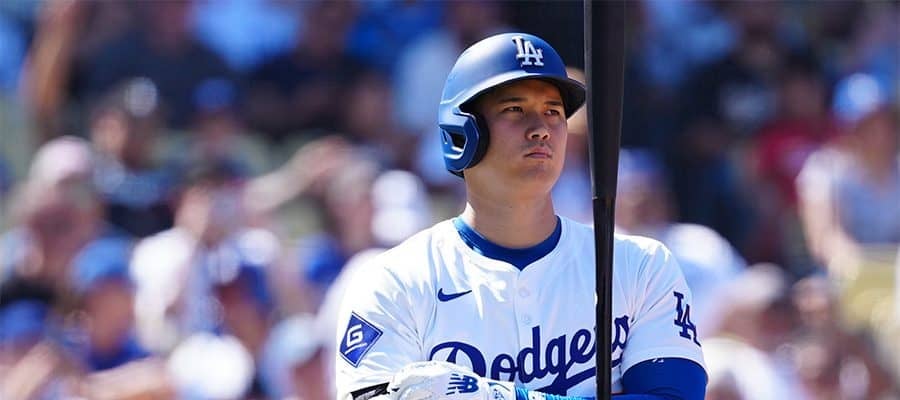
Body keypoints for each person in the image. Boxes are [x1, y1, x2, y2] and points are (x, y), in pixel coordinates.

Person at [335, 32, 707, 400]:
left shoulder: (639, 266)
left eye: (553, 111)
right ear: (462, 133)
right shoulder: (395, 282)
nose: (541, 129)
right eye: (514, 109)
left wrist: (499, 396)